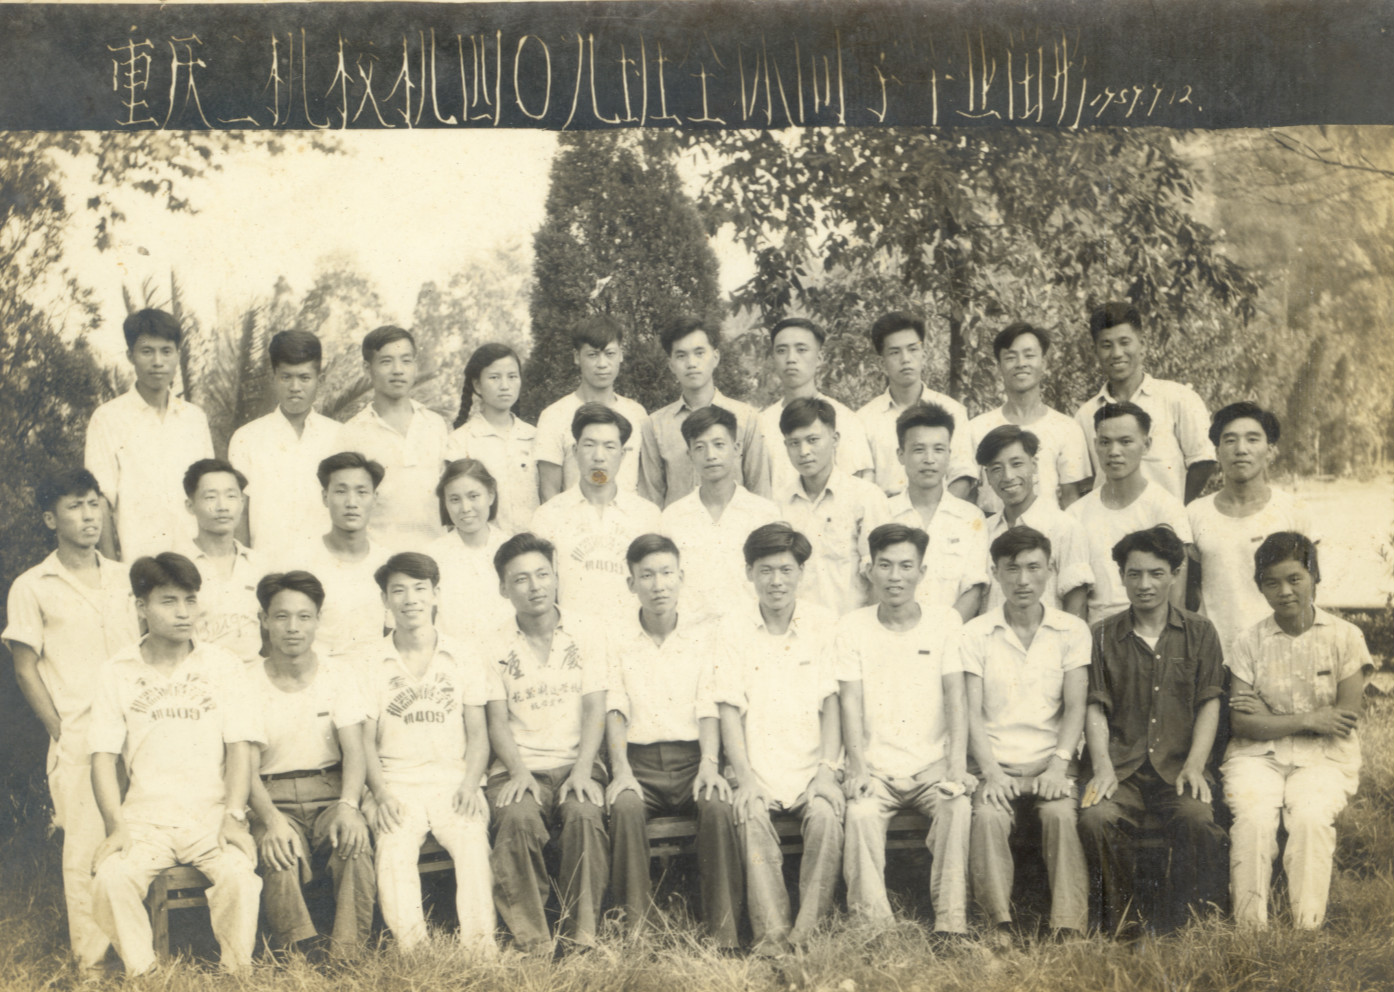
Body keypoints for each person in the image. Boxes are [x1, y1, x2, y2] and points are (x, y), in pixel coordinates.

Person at [87, 553, 262, 978]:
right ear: (141, 606)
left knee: (240, 876)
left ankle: (236, 973)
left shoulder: (222, 665)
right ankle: (144, 973)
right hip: (145, 821)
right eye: (169, 601)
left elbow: (239, 748)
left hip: (210, 817)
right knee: (111, 879)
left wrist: (234, 816)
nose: (184, 613)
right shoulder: (117, 671)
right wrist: (116, 825)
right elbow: (102, 757)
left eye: (190, 599)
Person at [2, 469, 138, 971]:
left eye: (93, 504)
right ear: (49, 519)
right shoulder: (32, 585)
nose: (88, 516)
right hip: (79, 734)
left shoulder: (126, 577)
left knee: (138, 834)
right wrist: (59, 730)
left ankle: (144, 951)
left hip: (139, 729)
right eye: (74, 506)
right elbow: (25, 667)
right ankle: (93, 962)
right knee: (85, 848)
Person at [1079, 526, 1228, 935]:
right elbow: (1095, 705)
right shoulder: (1101, 635)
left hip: (1178, 767)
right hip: (1122, 768)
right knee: (1096, 818)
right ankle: (1122, 924)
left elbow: (1209, 702)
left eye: (1156, 573)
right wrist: (1102, 767)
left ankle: (1189, 923)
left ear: (1175, 574)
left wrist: (1195, 765)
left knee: (1197, 817)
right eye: (1134, 574)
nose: (1144, 584)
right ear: (1121, 576)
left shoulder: (1200, 632)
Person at [708, 523, 844, 954]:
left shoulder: (824, 624)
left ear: (801, 572)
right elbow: (728, 709)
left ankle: (808, 935)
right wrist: (746, 778)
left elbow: (832, 705)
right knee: (750, 816)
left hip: (811, 768)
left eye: (786, 570)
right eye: (765, 571)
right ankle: (772, 939)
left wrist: (826, 772)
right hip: (757, 768)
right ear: (749, 572)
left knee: (826, 817)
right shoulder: (732, 627)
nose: (776, 581)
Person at [1223, 533, 1370, 930]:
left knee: (1309, 817)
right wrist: (1308, 719)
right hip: (1257, 756)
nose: (1284, 591)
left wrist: (1271, 716)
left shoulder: (1345, 637)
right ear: (1259, 587)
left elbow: (1342, 719)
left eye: (1294, 579)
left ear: (1314, 577)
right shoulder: (1249, 641)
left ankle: (1306, 929)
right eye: (1271, 582)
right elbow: (1242, 723)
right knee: (1253, 818)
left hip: (1325, 758)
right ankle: (1250, 932)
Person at [605, 535, 741, 948]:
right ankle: (635, 936)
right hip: (639, 763)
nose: (658, 585)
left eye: (667, 573)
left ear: (681, 577)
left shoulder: (704, 635)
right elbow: (615, 707)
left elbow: (708, 704)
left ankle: (726, 936)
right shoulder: (616, 638)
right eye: (647, 575)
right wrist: (621, 771)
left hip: (692, 759)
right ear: (631, 583)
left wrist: (709, 764)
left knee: (717, 804)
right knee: (624, 806)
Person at [838, 523, 973, 937]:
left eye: (905, 566)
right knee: (859, 815)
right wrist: (859, 768)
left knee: (957, 808)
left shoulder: (945, 621)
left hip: (932, 767)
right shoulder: (852, 626)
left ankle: (950, 925)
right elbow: (849, 702)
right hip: (876, 771)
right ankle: (875, 929)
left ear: (922, 572)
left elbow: (956, 698)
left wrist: (955, 765)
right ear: (869, 570)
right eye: (885, 565)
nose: (895, 576)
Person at [361, 553, 496, 952]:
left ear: (436, 594)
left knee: (472, 841)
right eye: (398, 591)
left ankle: (480, 950)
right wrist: (381, 794)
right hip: (395, 784)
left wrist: (470, 785)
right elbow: (363, 741)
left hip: (453, 781)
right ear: (385, 599)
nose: (410, 599)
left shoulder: (464, 655)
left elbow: (478, 734)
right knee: (394, 846)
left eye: (420, 588)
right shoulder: (369, 661)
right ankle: (414, 951)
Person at [483, 533, 610, 954]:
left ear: (556, 578)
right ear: (503, 588)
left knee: (584, 815)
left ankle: (581, 940)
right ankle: (533, 943)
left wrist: (582, 770)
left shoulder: (587, 631)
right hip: (518, 766)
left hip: (578, 762)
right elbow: (497, 720)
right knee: (517, 818)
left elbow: (595, 709)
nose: (535, 586)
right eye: (520, 579)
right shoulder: (491, 644)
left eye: (542, 574)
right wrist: (519, 772)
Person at [960, 527, 1089, 939]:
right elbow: (970, 712)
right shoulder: (975, 633)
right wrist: (992, 773)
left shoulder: (1072, 630)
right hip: (996, 765)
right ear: (995, 573)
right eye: (1012, 569)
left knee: (1059, 816)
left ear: (1050, 570)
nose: (1023, 580)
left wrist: (1058, 766)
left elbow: (1076, 706)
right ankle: (996, 926)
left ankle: (1069, 927)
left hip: (1051, 764)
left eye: (1034, 568)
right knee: (988, 817)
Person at [246, 571, 375, 960]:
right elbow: (244, 767)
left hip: (329, 790)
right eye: (281, 616)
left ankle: (348, 953)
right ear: (264, 620)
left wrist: (349, 806)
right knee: (278, 850)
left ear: (318, 620)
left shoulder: (338, 674)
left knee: (354, 842)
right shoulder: (245, 680)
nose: (293, 627)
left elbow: (355, 751)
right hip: (270, 795)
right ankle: (297, 952)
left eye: (304, 617)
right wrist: (271, 820)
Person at [1187, 402, 1316, 654]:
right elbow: (1189, 594)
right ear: (1217, 451)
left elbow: (1312, 591)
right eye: (1230, 440)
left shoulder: (1294, 511)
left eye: (1253, 439)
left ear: (1271, 450)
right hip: (1215, 653)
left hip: (1281, 650)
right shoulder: (1194, 513)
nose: (1241, 449)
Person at [85, 308, 214, 561]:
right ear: (130, 356)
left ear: (177, 355)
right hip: (139, 562)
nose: (157, 362)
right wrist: (112, 570)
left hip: (195, 561)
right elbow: (100, 500)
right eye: (147, 351)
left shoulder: (194, 418)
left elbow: (208, 490)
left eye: (166, 351)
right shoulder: (107, 418)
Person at [1074, 303, 1215, 503]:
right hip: (1109, 521)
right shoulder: (1085, 415)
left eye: (1125, 342)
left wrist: (1175, 510)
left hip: (1165, 520)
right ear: (1095, 350)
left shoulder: (1178, 398)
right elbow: (1083, 482)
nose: (1117, 353)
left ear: (1143, 343)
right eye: (1106, 345)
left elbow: (1203, 462)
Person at [530, 404, 662, 617]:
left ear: (622, 454)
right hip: (573, 632)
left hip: (631, 632)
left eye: (609, 447)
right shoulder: (549, 515)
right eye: (589, 445)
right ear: (575, 451)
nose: (599, 456)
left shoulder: (647, 515)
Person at [1069, 403, 1193, 622]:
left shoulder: (1166, 508)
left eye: (1125, 441)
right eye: (1105, 442)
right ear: (1095, 445)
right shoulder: (1077, 514)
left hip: (1153, 631)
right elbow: (1076, 599)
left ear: (1146, 445)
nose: (1114, 452)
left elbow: (1177, 595)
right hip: (1098, 633)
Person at [659, 405, 781, 622]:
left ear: (736, 449)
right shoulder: (673, 517)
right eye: (700, 447)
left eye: (719, 445)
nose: (710, 455)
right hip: (691, 629)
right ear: (689, 455)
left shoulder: (764, 514)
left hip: (749, 629)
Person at [335, 326, 449, 552]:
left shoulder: (435, 424)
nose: (398, 370)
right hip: (379, 557)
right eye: (386, 361)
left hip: (435, 553)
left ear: (415, 366)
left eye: (406, 361)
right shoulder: (352, 433)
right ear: (367, 368)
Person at [227, 329, 341, 553]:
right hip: (267, 565)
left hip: (325, 564)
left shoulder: (339, 436)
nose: (295, 387)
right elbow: (239, 513)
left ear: (319, 380)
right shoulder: (246, 438)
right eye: (286, 377)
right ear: (273, 378)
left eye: (304, 378)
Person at [774, 396, 890, 616]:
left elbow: (880, 574)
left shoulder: (866, 497)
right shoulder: (778, 503)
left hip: (849, 625)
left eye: (813, 440)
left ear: (835, 439)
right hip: (798, 626)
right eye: (794, 443)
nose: (804, 451)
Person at [638, 315, 771, 507]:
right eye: (681, 355)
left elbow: (760, 492)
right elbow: (651, 501)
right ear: (671, 365)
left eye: (699, 353)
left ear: (715, 357)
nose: (691, 363)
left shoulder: (747, 418)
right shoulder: (655, 424)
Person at [969, 322, 1090, 514]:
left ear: (1044, 363)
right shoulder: (976, 428)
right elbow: (968, 501)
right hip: (991, 528)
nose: (1021, 363)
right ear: (999, 367)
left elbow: (1071, 499)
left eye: (1029, 355)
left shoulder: (1067, 428)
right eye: (1011, 357)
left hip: (1047, 529)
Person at [887, 403, 989, 621]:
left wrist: (943, 632)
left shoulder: (971, 518)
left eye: (938, 449)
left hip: (952, 634)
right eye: (919, 449)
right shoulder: (883, 513)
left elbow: (974, 590)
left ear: (949, 454)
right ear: (901, 455)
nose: (929, 459)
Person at [977, 425, 1092, 617]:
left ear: (1034, 465)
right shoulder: (983, 530)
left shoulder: (1065, 527)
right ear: (987, 476)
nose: (1008, 476)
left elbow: (1076, 606)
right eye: (996, 468)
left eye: (1017, 464)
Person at [857, 311, 974, 499]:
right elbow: (863, 487)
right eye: (895, 352)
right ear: (881, 363)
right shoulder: (864, 419)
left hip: (942, 512)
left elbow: (962, 475)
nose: (905, 359)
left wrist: (938, 513)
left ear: (923, 354)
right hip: (886, 514)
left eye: (912, 349)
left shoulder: (953, 411)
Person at [535, 316, 649, 501]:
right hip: (575, 516)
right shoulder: (554, 416)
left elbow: (646, 484)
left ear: (620, 355)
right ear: (577, 357)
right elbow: (549, 491)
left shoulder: (637, 413)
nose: (602, 364)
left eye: (610, 354)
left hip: (628, 517)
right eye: (593, 355)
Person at [757, 317, 874, 496]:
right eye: (781, 351)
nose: (791, 359)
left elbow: (861, 486)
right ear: (773, 359)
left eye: (801, 349)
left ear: (819, 358)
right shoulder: (761, 423)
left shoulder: (844, 418)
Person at [292, 453, 392, 662]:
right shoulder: (301, 561)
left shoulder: (387, 563)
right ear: (325, 497)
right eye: (340, 491)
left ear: (375, 498)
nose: (351, 502)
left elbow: (392, 633)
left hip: (372, 672)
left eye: (361, 492)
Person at [445, 343, 539, 534]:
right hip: (485, 545)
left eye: (512, 376)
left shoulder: (535, 436)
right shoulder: (459, 441)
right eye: (494, 377)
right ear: (477, 385)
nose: (505, 386)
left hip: (532, 544)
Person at [179, 459, 263, 661]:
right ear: (190, 506)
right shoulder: (177, 565)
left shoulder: (259, 564)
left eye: (231, 496)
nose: (222, 506)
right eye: (210, 497)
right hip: (200, 673)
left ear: (242, 503)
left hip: (252, 672)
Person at [426, 459, 512, 642]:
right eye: (455, 499)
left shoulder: (511, 549)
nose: (465, 508)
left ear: (490, 496)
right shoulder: (433, 555)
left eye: (473, 496)